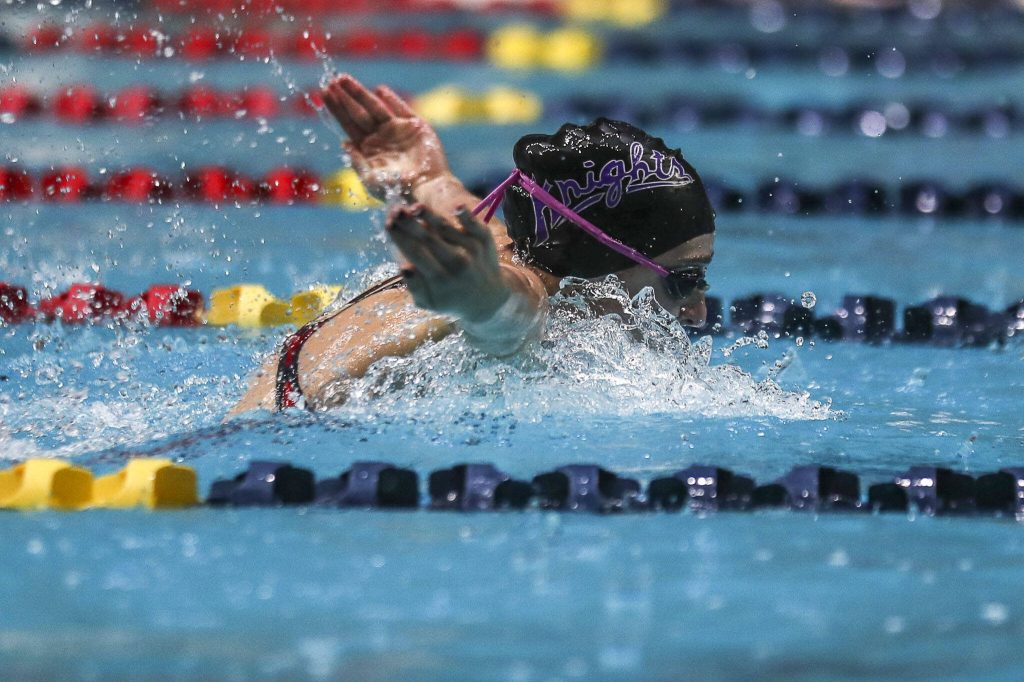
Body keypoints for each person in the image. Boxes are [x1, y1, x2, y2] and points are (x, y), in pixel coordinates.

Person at [229, 74, 715, 415]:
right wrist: (477, 294)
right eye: (684, 280)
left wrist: (425, 178)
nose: (697, 311)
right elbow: (505, 312)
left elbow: (448, 199)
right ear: (600, 261)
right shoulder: (526, 296)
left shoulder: (506, 244)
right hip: (262, 441)